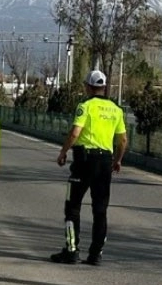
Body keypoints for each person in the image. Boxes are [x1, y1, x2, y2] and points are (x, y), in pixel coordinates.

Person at [51, 68, 128, 266]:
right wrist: (118, 160)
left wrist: (63, 152)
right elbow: (123, 140)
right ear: (103, 87)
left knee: (72, 206)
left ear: (88, 87)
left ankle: (71, 250)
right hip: (105, 162)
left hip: (84, 161)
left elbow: (75, 132)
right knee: (100, 210)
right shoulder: (116, 109)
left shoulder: (85, 106)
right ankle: (96, 254)